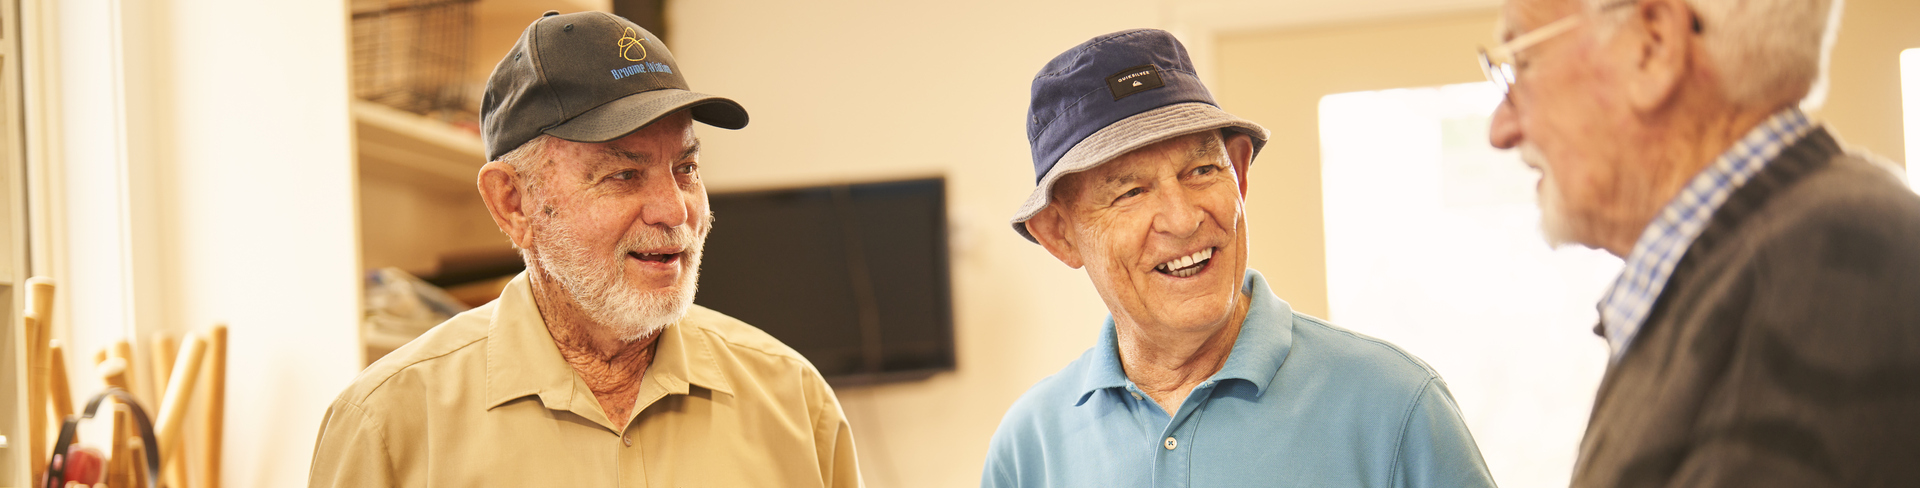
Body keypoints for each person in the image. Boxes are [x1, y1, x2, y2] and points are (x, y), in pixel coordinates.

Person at [309, 11, 860, 487]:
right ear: (513, 203)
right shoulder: (387, 423)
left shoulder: (794, 403)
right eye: (623, 174)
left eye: (685, 168)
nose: (674, 211)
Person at [982, 28, 1497, 487]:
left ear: (1240, 174)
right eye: (1131, 192)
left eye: (1202, 170)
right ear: (1060, 235)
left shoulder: (1396, 405)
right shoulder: (1030, 448)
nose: (1183, 219)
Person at [1483, 0, 1920, 485]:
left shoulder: (1835, 266)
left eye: (1521, 63)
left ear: (1651, 46)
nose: (1500, 130)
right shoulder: (1752, 276)